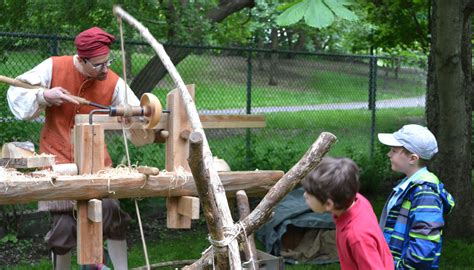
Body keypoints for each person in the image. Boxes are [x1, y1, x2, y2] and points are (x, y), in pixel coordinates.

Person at [7, 27, 137, 270]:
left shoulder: (113, 81)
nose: (105, 69)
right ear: (81, 59)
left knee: (112, 214)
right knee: (64, 227)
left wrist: (130, 115)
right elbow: (16, 93)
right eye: (99, 64)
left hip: (97, 166)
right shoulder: (52, 67)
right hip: (57, 163)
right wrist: (43, 95)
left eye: (108, 61)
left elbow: (139, 112)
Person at [378, 124, 455, 269]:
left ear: (412, 158)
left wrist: (398, 267)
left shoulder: (425, 194)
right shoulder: (407, 185)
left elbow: (423, 249)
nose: (389, 154)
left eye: (394, 150)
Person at [302, 157, 393, 270]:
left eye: (309, 195)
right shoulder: (358, 200)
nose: (304, 195)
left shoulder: (357, 236)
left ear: (329, 204)